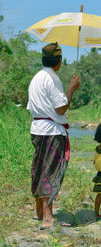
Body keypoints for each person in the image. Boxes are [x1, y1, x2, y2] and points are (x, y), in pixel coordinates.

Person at [27, 42, 80, 229]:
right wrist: (72, 88)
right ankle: (47, 217)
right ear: (59, 61)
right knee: (50, 171)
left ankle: (39, 211)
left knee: (39, 169)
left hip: (38, 129)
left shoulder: (37, 78)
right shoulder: (52, 79)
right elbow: (61, 107)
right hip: (51, 131)